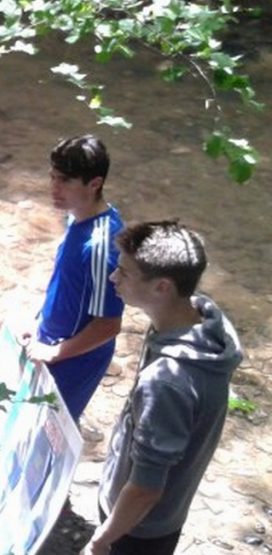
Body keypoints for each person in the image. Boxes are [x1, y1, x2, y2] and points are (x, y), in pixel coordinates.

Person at [85, 221, 242, 555]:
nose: (114, 278)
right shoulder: (203, 321)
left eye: (124, 273)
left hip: (138, 530)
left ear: (162, 287)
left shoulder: (167, 380)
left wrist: (102, 539)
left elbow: (145, 490)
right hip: (163, 515)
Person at [24, 134, 124, 421]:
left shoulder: (100, 247)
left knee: (49, 430)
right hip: (51, 340)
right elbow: (67, 286)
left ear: (95, 184)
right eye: (53, 177)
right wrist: (38, 322)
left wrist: (55, 353)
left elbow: (108, 324)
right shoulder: (76, 216)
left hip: (74, 358)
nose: (54, 188)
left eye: (66, 181)